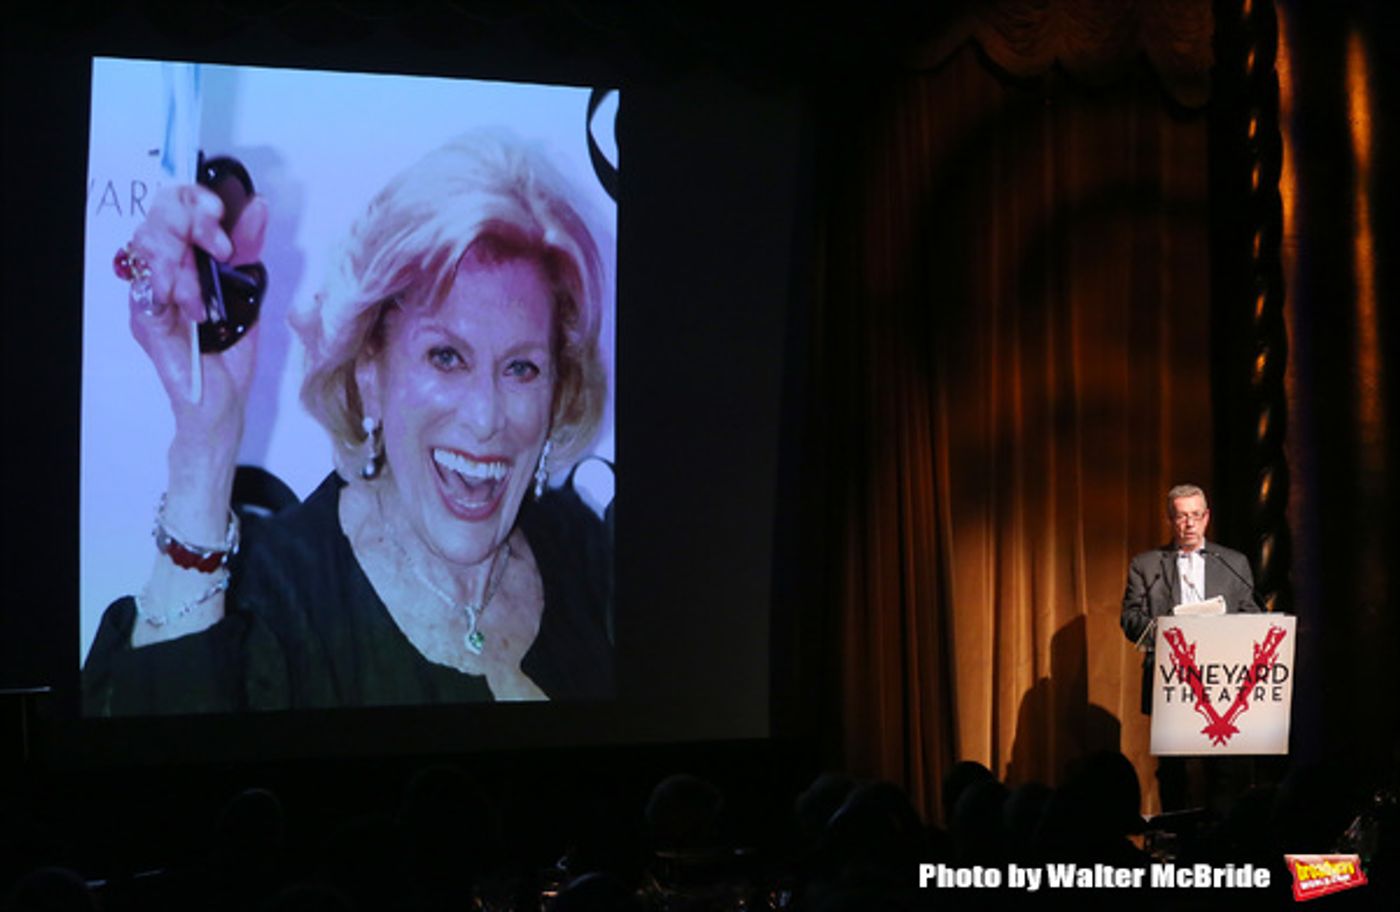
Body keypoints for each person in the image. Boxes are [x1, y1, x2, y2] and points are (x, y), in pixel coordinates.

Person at [84, 135, 614, 714]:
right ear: (369, 369)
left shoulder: (586, 556)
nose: (486, 417)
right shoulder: (265, 601)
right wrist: (204, 442)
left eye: (521, 368)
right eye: (446, 357)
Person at [1121, 483, 1259, 809]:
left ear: (1207, 517)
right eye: (1182, 516)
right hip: (1171, 677)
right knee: (1173, 770)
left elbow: (1252, 615)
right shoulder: (1147, 565)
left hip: (1222, 677)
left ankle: (1220, 842)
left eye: (1196, 515)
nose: (1189, 523)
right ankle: (1177, 844)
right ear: (1170, 519)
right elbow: (1130, 620)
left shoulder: (1234, 563)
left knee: (1222, 769)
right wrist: (1169, 628)